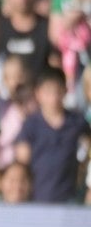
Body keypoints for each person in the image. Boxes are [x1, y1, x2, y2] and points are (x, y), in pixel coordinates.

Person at [14, 68, 91, 203]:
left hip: (70, 199)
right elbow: (22, 159)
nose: (53, 97)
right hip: (37, 198)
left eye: (58, 91)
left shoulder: (77, 122)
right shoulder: (31, 124)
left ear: (65, 91)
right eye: (48, 92)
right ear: (38, 93)